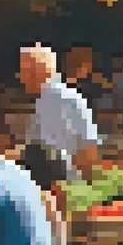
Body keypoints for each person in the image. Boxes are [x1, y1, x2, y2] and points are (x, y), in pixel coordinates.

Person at [18, 45, 100, 179]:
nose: (21, 78)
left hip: (64, 183)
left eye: (24, 71)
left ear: (38, 70)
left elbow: (89, 148)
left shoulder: (61, 97)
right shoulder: (46, 98)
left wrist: (81, 185)